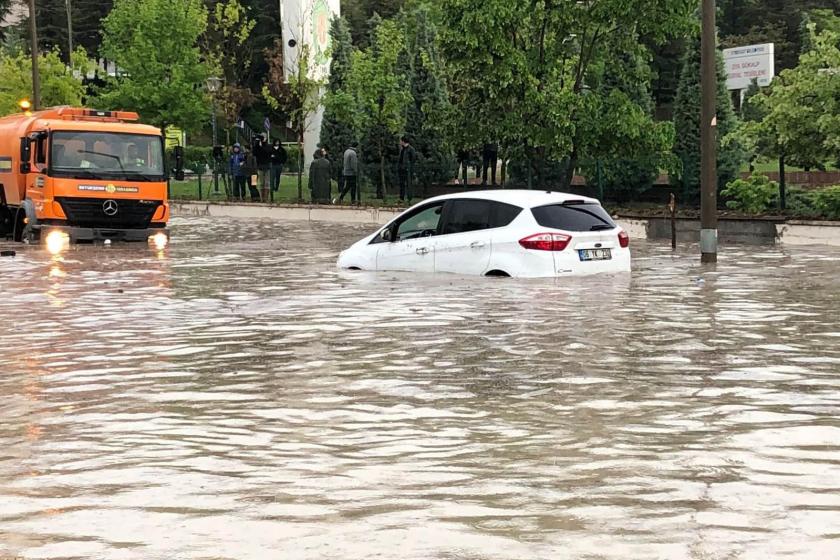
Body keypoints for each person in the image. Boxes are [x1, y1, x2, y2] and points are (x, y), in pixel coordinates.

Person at [398, 136, 417, 203]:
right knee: (402, 184)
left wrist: (409, 167)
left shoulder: (411, 149)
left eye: (401, 141)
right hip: (402, 169)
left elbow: (413, 159)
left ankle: (409, 198)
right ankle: (401, 198)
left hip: (408, 169)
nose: (400, 142)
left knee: (409, 184)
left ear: (403, 141)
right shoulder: (402, 149)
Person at [254, 134, 271, 201]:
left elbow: (266, 152)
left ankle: (266, 198)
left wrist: (263, 144)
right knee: (261, 183)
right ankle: (262, 198)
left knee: (266, 183)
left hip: (267, 166)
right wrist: (257, 143)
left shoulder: (268, 146)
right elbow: (255, 152)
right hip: (260, 166)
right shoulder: (258, 147)